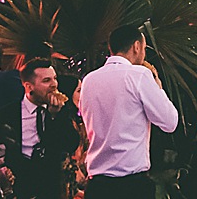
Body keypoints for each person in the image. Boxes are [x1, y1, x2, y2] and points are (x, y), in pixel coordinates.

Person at [77, 24, 181, 199]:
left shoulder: (89, 80)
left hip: (97, 185)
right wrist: (158, 88)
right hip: (131, 186)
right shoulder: (139, 75)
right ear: (136, 46)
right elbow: (170, 122)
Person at [5, 58, 80, 199]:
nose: (54, 85)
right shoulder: (9, 113)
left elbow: (71, 143)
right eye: (46, 81)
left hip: (51, 187)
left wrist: (54, 117)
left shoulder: (61, 109)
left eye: (55, 79)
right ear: (29, 87)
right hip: (22, 186)